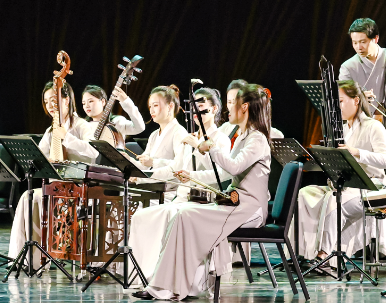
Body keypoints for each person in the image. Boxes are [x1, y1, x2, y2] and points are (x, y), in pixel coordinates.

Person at [130, 83, 273, 300]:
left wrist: (210, 147)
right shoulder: (244, 136)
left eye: (232, 103)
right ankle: (169, 285)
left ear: (244, 107)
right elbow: (225, 171)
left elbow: (234, 167)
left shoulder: (257, 139)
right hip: (234, 203)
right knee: (182, 215)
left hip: (249, 209)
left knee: (186, 215)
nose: (228, 108)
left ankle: (175, 286)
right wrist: (193, 173)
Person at [294, 80, 386, 263]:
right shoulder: (343, 130)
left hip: (373, 186)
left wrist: (356, 152)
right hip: (348, 185)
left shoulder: (374, 126)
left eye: (340, 101)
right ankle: (301, 253)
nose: (337, 107)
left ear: (356, 100)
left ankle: (324, 255)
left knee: (334, 199)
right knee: (305, 193)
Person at [6, 81, 94, 269]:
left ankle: (45, 256)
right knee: (29, 197)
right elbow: (39, 156)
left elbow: (93, 152)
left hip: (79, 188)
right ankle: (27, 260)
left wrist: (67, 137)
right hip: (56, 187)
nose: (50, 105)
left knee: (36, 197)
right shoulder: (50, 130)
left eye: (54, 100)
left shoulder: (81, 125)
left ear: (66, 100)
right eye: (46, 102)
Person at [133, 86, 187, 191]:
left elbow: (179, 166)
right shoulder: (154, 135)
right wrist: (127, 160)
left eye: (156, 105)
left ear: (170, 106)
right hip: (150, 188)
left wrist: (153, 163)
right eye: (150, 106)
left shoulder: (179, 132)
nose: (151, 110)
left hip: (168, 192)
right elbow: (144, 165)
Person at [81, 84, 145, 146]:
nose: (86, 106)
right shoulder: (83, 125)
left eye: (90, 101)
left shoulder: (117, 121)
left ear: (103, 102)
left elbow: (139, 128)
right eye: (84, 103)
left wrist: (126, 102)